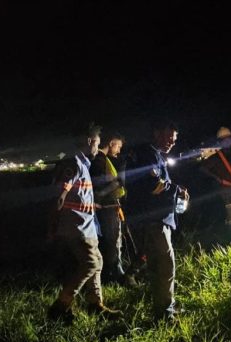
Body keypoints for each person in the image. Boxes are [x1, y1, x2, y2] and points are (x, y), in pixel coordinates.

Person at [47, 122, 121, 322]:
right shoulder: (73, 164)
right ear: (89, 141)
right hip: (76, 227)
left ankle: (95, 304)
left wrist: (91, 206)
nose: (98, 146)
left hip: (86, 226)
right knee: (90, 263)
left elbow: (76, 196)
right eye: (97, 142)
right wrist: (53, 226)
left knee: (97, 262)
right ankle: (60, 306)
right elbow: (59, 196)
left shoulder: (82, 164)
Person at [124, 119, 184, 321]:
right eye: (168, 137)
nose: (171, 142)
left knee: (157, 266)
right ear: (156, 132)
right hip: (153, 220)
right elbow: (154, 186)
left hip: (156, 219)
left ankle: (163, 307)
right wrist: (177, 190)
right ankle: (165, 312)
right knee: (165, 263)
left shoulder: (154, 154)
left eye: (174, 140)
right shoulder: (147, 155)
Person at [91, 132, 126, 284]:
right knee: (113, 240)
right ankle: (113, 275)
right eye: (118, 146)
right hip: (108, 206)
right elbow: (101, 186)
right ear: (112, 143)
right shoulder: (100, 160)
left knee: (111, 240)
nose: (119, 150)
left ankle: (112, 272)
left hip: (107, 205)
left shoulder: (102, 159)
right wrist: (117, 183)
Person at [200, 126, 231, 227]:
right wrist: (218, 179)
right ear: (220, 142)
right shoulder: (216, 157)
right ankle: (230, 230)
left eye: (229, 139)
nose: (227, 142)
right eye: (225, 140)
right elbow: (203, 168)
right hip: (225, 188)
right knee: (230, 210)